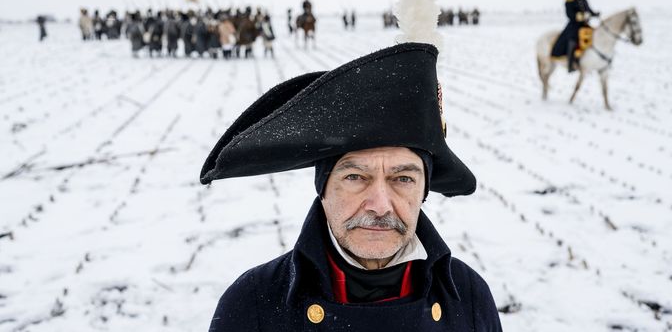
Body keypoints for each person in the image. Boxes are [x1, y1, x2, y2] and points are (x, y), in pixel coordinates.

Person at [201, 43, 502, 331]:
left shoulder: (469, 296)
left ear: (423, 191)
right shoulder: (253, 304)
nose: (380, 205)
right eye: (356, 177)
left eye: (403, 179)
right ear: (323, 189)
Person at [551, 0, 600, 72]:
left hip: (585, 25)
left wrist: (595, 14)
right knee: (572, 39)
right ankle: (571, 63)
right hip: (574, 26)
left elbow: (589, 10)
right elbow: (569, 14)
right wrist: (580, 16)